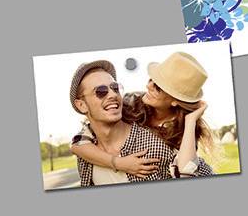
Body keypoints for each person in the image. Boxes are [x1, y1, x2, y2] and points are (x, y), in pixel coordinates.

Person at [64, 59, 171, 187]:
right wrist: (118, 163)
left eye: (115, 88)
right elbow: (76, 144)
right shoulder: (86, 153)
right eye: (101, 91)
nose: (113, 95)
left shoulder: (155, 146)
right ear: (81, 105)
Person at [131, 49, 216, 177]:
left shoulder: (183, 129)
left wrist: (191, 120)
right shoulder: (131, 103)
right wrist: (118, 163)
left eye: (158, 88)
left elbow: (186, 171)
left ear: (175, 101)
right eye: (151, 80)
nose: (149, 86)